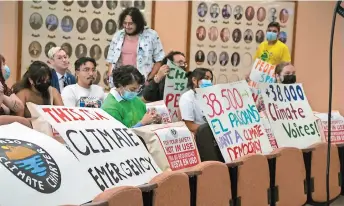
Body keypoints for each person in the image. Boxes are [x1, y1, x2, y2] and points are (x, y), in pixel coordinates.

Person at [106, 7, 165, 87]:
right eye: (125, 23)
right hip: (121, 84)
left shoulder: (151, 35)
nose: (127, 26)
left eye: (130, 23)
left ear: (138, 23)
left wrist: (149, 79)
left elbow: (159, 60)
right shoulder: (118, 36)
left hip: (142, 84)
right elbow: (111, 60)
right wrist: (111, 77)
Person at [179, 68, 213, 133]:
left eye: (210, 79)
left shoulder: (211, 96)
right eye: (206, 78)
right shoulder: (187, 97)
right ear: (194, 80)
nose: (209, 82)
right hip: (200, 135)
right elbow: (189, 125)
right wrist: (212, 130)